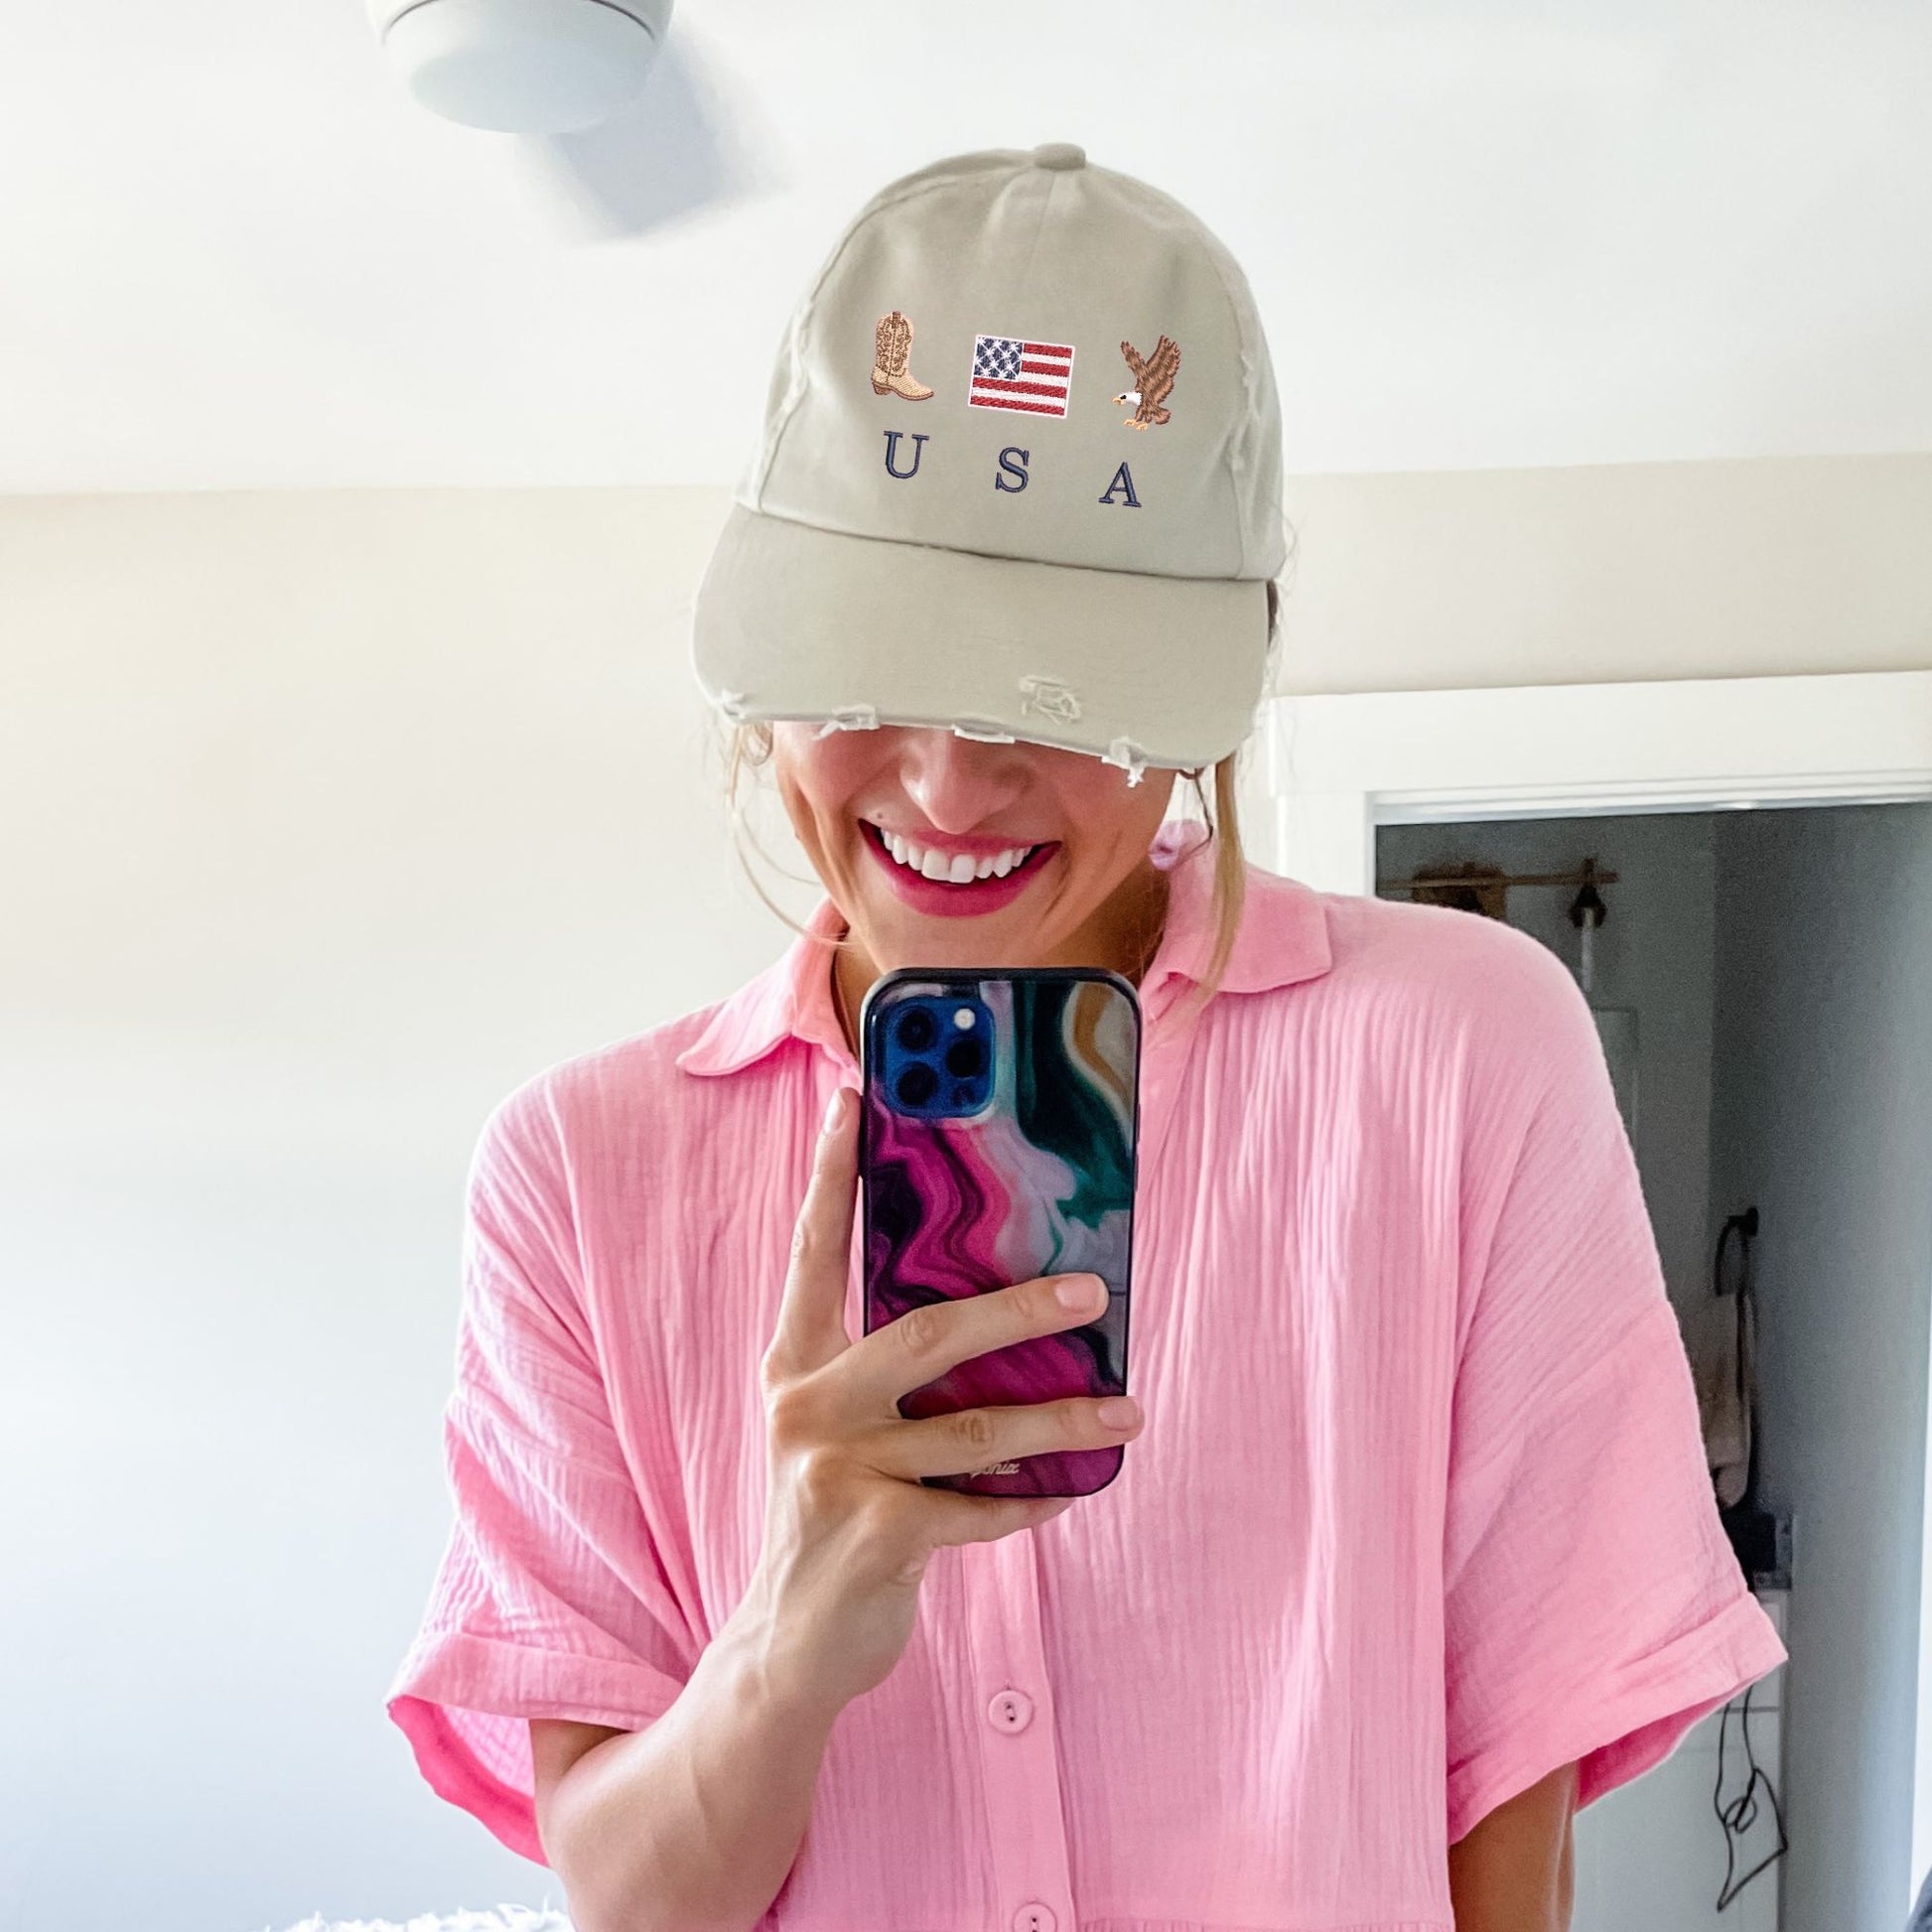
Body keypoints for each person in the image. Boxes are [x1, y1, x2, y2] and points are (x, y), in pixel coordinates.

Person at [385, 143, 1787, 1932]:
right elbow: (629, 1902)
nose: (950, 782)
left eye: (1060, 693)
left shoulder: (1459, 1055)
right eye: (871, 668)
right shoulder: (578, 1176)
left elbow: (1500, 1801)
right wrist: (795, 1623)